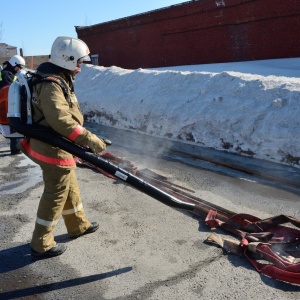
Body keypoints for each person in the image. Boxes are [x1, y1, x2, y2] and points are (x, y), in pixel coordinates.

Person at [20, 36, 107, 258]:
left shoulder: (58, 78)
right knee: (56, 192)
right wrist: (90, 140)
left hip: (57, 144)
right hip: (52, 147)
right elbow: (61, 121)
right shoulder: (50, 84)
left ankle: (78, 224)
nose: (80, 68)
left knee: (69, 185)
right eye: (78, 63)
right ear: (67, 60)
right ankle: (41, 243)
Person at [0, 55, 26, 154]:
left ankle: (16, 147)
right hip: (7, 103)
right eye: (18, 66)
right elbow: (10, 89)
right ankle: (16, 149)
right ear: (14, 64)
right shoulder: (7, 74)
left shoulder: (9, 73)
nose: (19, 69)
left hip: (6, 103)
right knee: (13, 125)